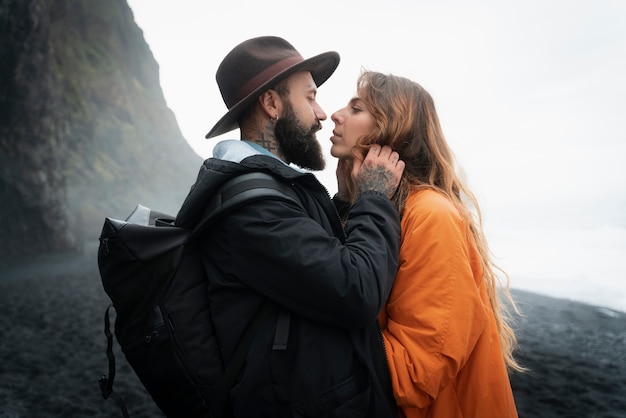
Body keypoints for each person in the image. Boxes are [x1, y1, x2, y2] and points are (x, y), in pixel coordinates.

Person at [175, 37, 405, 417]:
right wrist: (375, 197)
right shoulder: (251, 207)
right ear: (272, 104)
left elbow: (308, 259)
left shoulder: (269, 190)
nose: (322, 113)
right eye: (310, 97)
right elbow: (356, 291)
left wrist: (346, 200)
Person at [330, 70, 523, 418]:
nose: (335, 114)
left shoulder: (431, 213)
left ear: (391, 129)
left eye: (356, 108)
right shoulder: (381, 209)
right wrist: (348, 201)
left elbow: (415, 372)